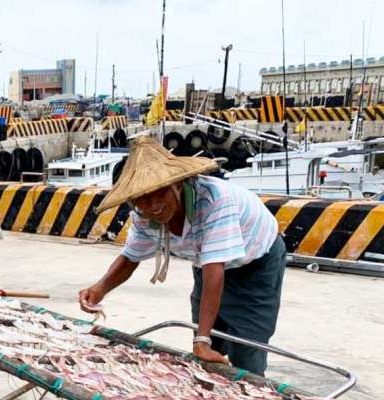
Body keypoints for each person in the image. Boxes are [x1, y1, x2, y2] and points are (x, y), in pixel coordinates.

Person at [78, 136, 286, 375]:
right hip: (207, 264)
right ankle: (212, 393)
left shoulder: (214, 200)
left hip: (255, 262)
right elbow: (130, 258)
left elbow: (214, 272)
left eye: (159, 193)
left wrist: (202, 340)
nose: (153, 205)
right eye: (141, 199)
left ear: (177, 184)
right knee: (207, 336)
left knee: (246, 346)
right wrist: (99, 289)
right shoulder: (143, 214)